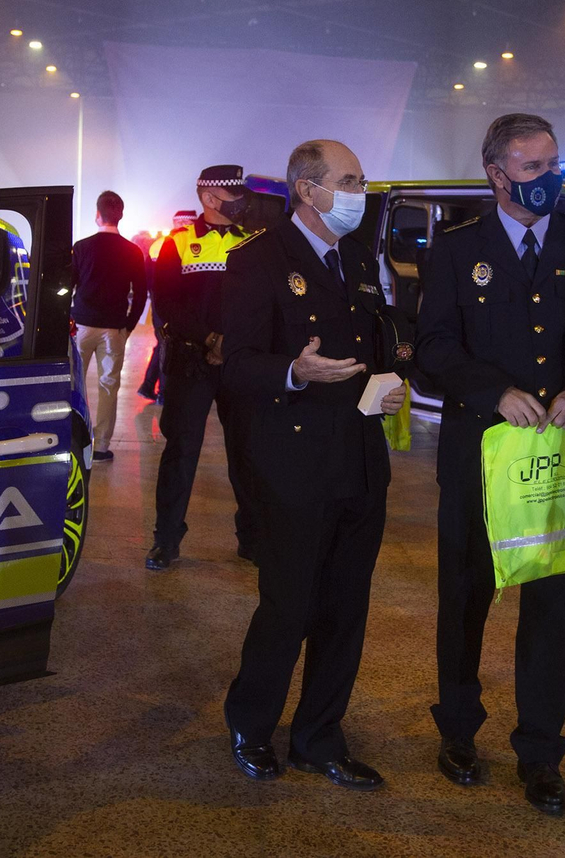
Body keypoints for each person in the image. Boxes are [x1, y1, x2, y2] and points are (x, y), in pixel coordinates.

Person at [415, 113, 565, 815]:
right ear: (495, 173)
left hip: (562, 464)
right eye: (531, 167)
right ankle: (458, 731)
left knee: (553, 610)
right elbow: (432, 347)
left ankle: (541, 752)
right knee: (466, 599)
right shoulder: (456, 249)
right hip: (481, 456)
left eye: (553, 163)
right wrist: (493, 391)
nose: (548, 178)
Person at [221, 139, 406, 789]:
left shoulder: (355, 259)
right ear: (307, 188)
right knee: (288, 604)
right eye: (348, 180)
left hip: (358, 459)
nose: (360, 191)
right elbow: (236, 362)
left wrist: (391, 379)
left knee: (344, 608)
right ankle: (250, 719)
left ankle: (319, 735)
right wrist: (294, 371)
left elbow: (376, 342)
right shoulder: (258, 262)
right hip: (293, 463)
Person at [147, 171, 259, 569]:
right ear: (209, 198)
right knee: (181, 451)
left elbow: (261, 302)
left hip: (239, 363)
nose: (239, 200)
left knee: (246, 451)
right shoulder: (177, 244)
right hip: (190, 361)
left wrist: (231, 341)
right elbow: (166, 303)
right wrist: (211, 338)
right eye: (231, 193)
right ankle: (167, 539)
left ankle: (252, 537)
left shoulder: (251, 242)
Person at [70, 191, 147, 463]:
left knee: (73, 383)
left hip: (81, 325)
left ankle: (71, 439)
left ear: (97, 213)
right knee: (108, 386)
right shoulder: (132, 251)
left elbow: (69, 285)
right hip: (113, 329)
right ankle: (101, 447)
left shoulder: (81, 247)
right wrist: (128, 325)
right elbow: (140, 293)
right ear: (121, 215)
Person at [139, 210, 197, 403]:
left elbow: (147, 278)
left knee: (163, 344)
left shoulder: (157, 245)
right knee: (168, 346)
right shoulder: (184, 243)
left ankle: (148, 386)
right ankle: (163, 393)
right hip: (172, 304)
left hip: (158, 303)